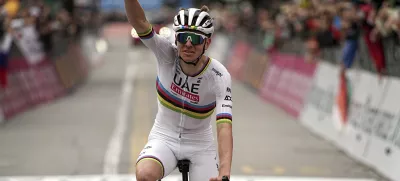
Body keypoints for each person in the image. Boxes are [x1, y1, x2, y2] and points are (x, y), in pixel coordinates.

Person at [124, 1, 233, 181]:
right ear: (176, 38)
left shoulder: (219, 75)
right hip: (164, 137)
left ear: (208, 42)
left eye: (196, 39)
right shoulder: (165, 53)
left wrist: (224, 172)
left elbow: (224, 126)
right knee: (145, 174)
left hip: (200, 145)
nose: (188, 44)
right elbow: (139, 21)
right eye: (183, 37)